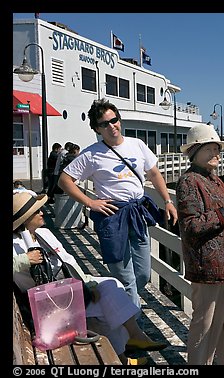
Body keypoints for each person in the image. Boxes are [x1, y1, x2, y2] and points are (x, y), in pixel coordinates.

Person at [12, 191, 167, 365]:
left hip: (67, 293)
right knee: (110, 302)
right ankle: (130, 348)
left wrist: (87, 283)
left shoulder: (44, 233)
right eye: (36, 211)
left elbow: (68, 261)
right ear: (24, 219)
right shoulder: (15, 244)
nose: (42, 212)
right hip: (49, 308)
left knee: (110, 290)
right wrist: (26, 259)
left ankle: (129, 348)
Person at [58, 98, 178, 311]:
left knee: (142, 273)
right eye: (104, 123)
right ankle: (136, 331)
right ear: (97, 128)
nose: (111, 126)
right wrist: (90, 203)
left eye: (114, 120)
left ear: (119, 120)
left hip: (137, 213)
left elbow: (154, 173)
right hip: (112, 217)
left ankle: (122, 305)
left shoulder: (137, 145)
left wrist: (168, 201)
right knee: (125, 276)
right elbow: (64, 180)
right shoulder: (91, 154)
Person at [176, 123, 224, 365]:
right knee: (206, 328)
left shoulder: (216, 180)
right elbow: (191, 227)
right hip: (208, 269)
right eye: (209, 149)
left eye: (217, 149)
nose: (216, 154)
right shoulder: (189, 182)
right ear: (194, 151)